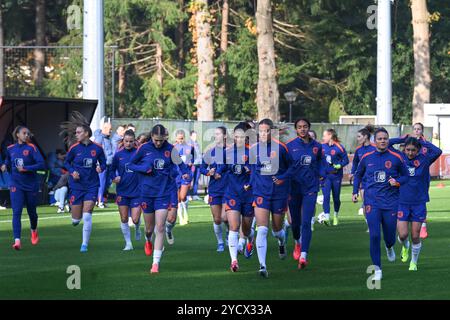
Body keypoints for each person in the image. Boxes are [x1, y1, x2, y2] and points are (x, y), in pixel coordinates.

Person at [129, 124, 190, 273]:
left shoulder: (170, 149)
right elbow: (130, 164)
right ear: (152, 137)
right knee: (149, 229)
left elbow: (182, 166)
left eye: (161, 140)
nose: (158, 143)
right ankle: (148, 240)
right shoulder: (144, 149)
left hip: (163, 193)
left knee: (160, 227)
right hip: (146, 193)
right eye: (156, 140)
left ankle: (155, 263)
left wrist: (186, 173)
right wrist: (142, 169)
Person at [352, 127, 408, 281]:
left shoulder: (397, 157)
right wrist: (355, 191)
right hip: (372, 202)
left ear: (388, 140)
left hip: (391, 203)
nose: (383, 141)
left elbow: (406, 177)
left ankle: (389, 246)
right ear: (374, 141)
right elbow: (358, 175)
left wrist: (396, 182)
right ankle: (377, 269)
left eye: (385, 138)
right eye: (380, 138)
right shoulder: (367, 157)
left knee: (389, 237)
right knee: (375, 235)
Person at [390, 137, 441, 271]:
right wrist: (401, 139)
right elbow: (388, 144)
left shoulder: (424, 159)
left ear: (418, 150)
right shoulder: (400, 158)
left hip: (418, 203)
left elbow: (438, 151)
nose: (410, 153)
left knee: (415, 235)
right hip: (401, 201)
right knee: (402, 235)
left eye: (413, 150)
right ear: (404, 149)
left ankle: (413, 262)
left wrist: (422, 141)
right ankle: (405, 247)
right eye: (408, 150)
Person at [249, 119, 290, 277]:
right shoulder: (254, 149)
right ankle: (262, 266)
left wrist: (283, 178)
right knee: (262, 229)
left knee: (277, 230)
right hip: (261, 193)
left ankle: (281, 241)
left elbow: (291, 168)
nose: (264, 134)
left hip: (279, 194)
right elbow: (253, 171)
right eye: (261, 131)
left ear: (272, 131)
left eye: (267, 131)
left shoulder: (281, 148)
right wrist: (250, 186)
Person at [62, 111, 106, 252]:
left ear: (86, 133)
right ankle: (74, 216)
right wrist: (72, 171)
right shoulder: (74, 148)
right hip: (76, 185)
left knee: (87, 215)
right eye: (76, 132)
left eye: (79, 132)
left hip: (92, 185)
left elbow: (104, 163)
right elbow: (66, 163)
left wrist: (101, 167)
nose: (76, 134)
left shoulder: (97, 148)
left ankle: (84, 244)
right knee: (76, 220)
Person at [284, 119, 323, 269]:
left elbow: (320, 164)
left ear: (309, 128)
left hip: (310, 189)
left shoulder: (317, 147)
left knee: (307, 222)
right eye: (299, 127)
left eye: (305, 127)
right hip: (294, 188)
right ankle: (297, 243)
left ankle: (304, 256)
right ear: (296, 129)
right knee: (295, 223)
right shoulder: (290, 147)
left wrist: (321, 174)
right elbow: (285, 167)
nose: (302, 129)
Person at [1, 126, 46, 250]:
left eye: (28, 133)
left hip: (31, 184)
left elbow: (42, 164)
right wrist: (5, 165)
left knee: (32, 212)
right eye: (24, 133)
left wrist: (27, 168)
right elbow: (8, 160)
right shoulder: (10, 149)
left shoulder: (32, 148)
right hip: (16, 184)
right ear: (17, 135)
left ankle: (33, 230)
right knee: (16, 212)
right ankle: (17, 241)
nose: (27, 135)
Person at [221, 123, 255, 272]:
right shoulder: (227, 152)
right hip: (232, 194)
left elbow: (260, 170)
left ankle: (249, 239)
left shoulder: (253, 152)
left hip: (249, 195)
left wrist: (251, 171)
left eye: (241, 136)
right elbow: (221, 169)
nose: (238, 139)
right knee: (234, 226)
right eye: (236, 136)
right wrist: (213, 170)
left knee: (246, 228)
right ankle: (234, 261)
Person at [110, 129, 142, 251]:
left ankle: (138, 228)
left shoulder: (139, 154)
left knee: (135, 219)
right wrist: (114, 178)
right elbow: (111, 170)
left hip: (137, 191)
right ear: (123, 141)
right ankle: (128, 243)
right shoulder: (118, 155)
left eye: (131, 141)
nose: (128, 143)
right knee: (124, 218)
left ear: (134, 141)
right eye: (126, 141)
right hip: (122, 191)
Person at [201, 126, 229, 252]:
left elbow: (229, 166)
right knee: (217, 219)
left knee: (226, 217)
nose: (215, 136)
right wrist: (209, 172)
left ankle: (230, 233)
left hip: (228, 188)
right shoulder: (210, 152)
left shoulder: (230, 151)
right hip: (214, 189)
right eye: (215, 134)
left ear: (224, 136)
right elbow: (201, 168)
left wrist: (219, 171)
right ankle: (220, 242)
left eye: (218, 134)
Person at [321, 129, 349, 226]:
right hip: (325, 176)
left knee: (336, 198)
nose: (323, 138)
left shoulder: (339, 147)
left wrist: (339, 165)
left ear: (330, 136)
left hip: (336, 176)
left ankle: (336, 215)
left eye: (324, 136)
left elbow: (346, 160)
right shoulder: (321, 146)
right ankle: (327, 217)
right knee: (326, 196)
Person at [350, 128, 376, 233]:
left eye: (359, 136)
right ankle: (370, 225)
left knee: (377, 205)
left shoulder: (375, 148)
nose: (357, 139)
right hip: (363, 182)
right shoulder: (358, 150)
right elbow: (355, 163)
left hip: (375, 182)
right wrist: (353, 172)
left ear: (365, 137)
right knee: (366, 205)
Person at [173, 130, 194, 225]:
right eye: (179, 138)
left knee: (183, 196)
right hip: (176, 175)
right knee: (177, 198)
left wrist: (191, 164)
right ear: (176, 138)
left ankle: (186, 213)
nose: (180, 140)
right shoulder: (173, 148)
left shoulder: (190, 147)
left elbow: (194, 161)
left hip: (186, 174)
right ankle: (181, 217)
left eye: (182, 138)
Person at [94, 121, 114, 208]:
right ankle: (99, 201)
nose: (111, 131)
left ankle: (100, 200)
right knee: (101, 184)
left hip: (108, 165)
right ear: (105, 128)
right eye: (110, 129)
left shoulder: (107, 138)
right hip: (102, 165)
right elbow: (96, 152)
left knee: (106, 183)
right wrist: (98, 164)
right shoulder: (99, 139)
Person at [188, 130, 202, 201]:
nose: (195, 137)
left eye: (196, 135)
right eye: (194, 135)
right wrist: (190, 162)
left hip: (198, 164)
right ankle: (188, 195)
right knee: (190, 179)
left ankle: (195, 194)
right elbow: (188, 154)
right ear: (190, 136)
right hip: (193, 165)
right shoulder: (189, 143)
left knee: (196, 180)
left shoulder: (197, 143)